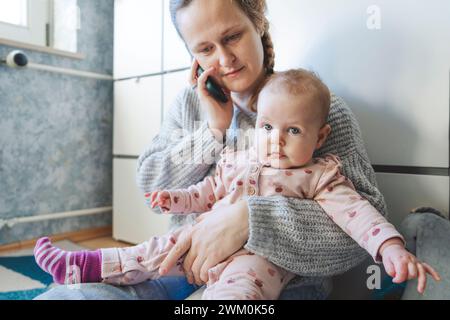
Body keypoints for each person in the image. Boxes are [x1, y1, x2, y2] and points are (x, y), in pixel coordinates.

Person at [35, 0, 406, 300]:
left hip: (274, 284)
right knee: (70, 296)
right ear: (192, 54)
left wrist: (250, 218)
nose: (225, 59)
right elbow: (150, 182)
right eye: (206, 48)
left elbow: (357, 233)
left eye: (232, 36)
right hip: (177, 266)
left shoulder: (311, 110)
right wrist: (212, 132)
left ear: (258, 21)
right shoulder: (189, 104)